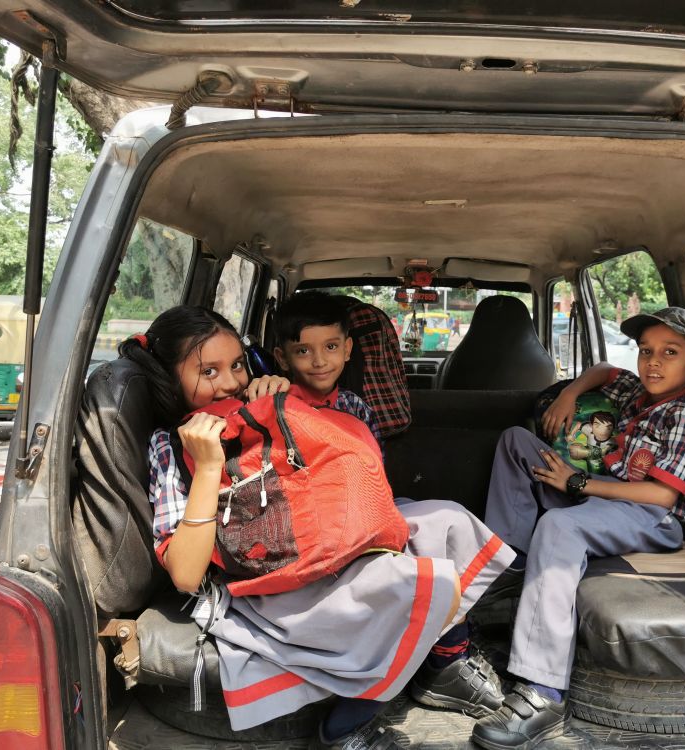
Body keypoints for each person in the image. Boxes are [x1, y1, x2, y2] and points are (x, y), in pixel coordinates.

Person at [122, 301, 513, 750]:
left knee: (447, 522)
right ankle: (345, 726)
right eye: (208, 372)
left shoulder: (265, 407)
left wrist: (283, 406)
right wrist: (209, 466)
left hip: (319, 544)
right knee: (426, 584)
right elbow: (187, 576)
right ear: (168, 378)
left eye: (236, 366)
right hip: (259, 581)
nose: (231, 383)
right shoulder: (170, 445)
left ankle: (442, 665)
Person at [472, 307, 685, 750]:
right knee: (516, 441)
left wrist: (577, 482)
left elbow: (662, 495)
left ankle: (543, 690)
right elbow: (604, 370)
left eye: (670, 353)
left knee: (559, 526)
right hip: (602, 496)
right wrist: (569, 394)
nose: (653, 362)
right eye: (646, 351)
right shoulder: (638, 391)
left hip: (648, 515)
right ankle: (513, 565)